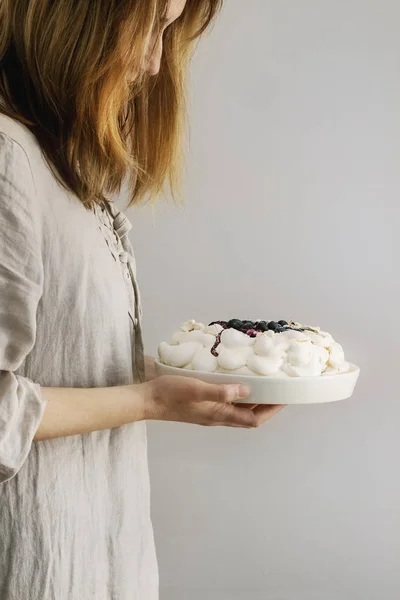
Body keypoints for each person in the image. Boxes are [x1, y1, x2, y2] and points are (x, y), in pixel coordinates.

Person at [0, 0, 284, 598]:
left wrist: (188, 381)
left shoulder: (61, 169)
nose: (156, 62)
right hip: (39, 566)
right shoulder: (8, 159)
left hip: (105, 556)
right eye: (153, 24)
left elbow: (56, 365)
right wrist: (151, 399)